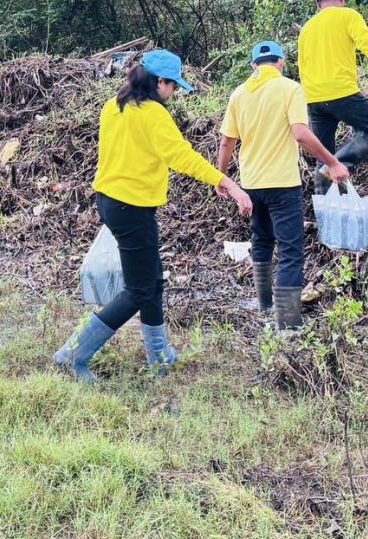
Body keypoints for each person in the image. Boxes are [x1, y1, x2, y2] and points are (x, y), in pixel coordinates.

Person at [53, 49, 253, 382]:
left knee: (153, 280)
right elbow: (182, 157)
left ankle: (159, 356)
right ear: (159, 82)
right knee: (139, 289)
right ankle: (72, 355)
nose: (173, 93)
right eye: (172, 86)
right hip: (130, 208)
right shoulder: (153, 115)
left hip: (112, 201)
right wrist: (227, 182)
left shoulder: (113, 106)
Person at [217, 39, 350, 331]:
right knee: (290, 249)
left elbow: (227, 141)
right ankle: (287, 323)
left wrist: (222, 177)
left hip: (251, 183)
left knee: (262, 240)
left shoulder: (239, 94)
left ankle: (264, 304)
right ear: (281, 63)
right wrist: (333, 162)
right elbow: (301, 134)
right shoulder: (290, 88)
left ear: (254, 65)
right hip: (282, 183)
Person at [297, 0, 368, 192]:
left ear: (317, 1)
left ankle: (324, 208)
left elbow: (302, 67)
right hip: (342, 93)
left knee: (322, 155)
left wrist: (309, 98)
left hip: (314, 99)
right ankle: (338, 163)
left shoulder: (306, 29)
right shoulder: (348, 16)